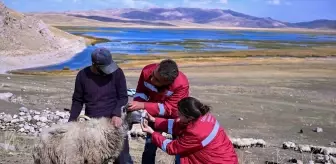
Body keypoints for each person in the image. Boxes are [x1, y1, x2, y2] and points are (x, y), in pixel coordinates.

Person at [68, 47, 133, 164]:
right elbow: (77, 100)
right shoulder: (82, 76)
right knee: (92, 159)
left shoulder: (117, 73)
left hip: (114, 122)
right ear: (95, 65)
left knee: (123, 159)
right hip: (92, 124)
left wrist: (116, 114)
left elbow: (123, 97)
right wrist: (71, 122)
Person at [140, 97, 239, 164]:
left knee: (180, 153)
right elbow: (178, 124)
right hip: (225, 157)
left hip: (216, 161)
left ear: (189, 117)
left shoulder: (195, 132)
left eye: (179, 114)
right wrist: (154, 120)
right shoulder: (203, 116)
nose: (177, 116)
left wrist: (152, 133)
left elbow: (171, 147)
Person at [127, 59, 189, 164]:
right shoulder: (147, 71)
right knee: (149, 146)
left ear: (167, 82)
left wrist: (143, 105)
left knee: (179, 149)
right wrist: (137, 104)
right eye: (153, 74)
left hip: (175, 118)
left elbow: (170, 109)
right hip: (152, 114)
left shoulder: (181, 84)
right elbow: (141, 91)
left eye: (156, 79)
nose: (151, 79)